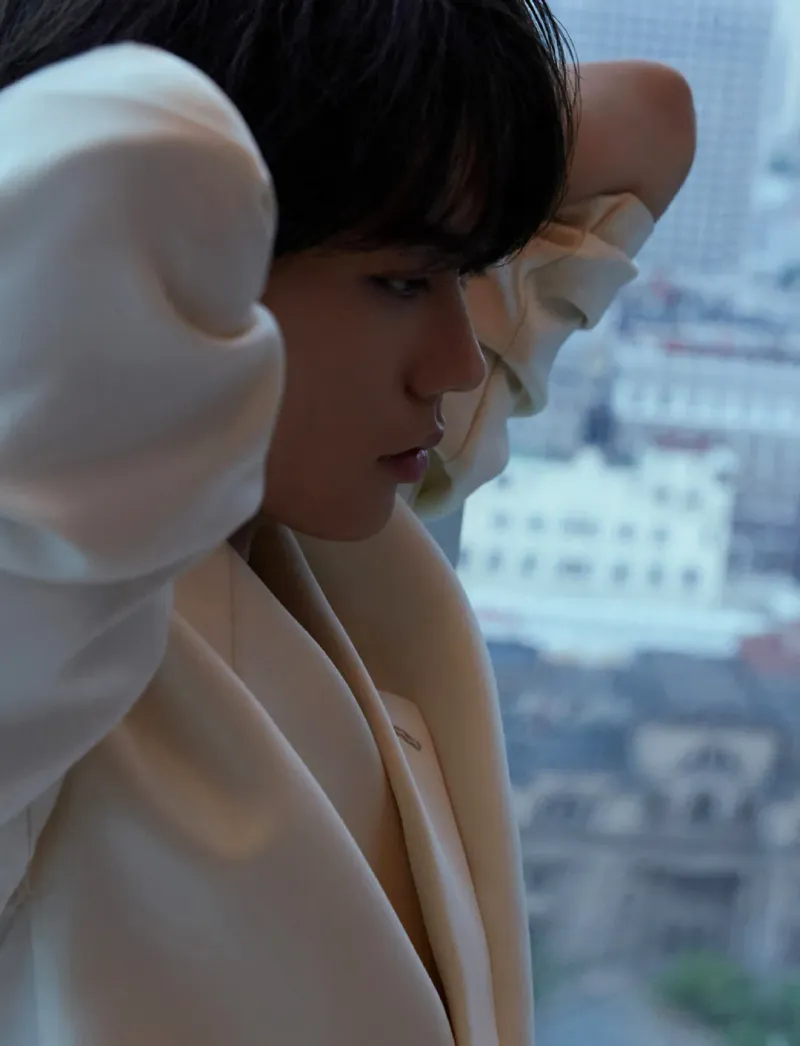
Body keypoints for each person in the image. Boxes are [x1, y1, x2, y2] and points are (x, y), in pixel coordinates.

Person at [0, 2, 695, 1044]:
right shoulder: (37, 609)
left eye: (467, 274)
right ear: (188, 259)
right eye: (404, 281)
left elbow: (650, 118)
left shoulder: (315, 492)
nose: (456, 362)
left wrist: (383, 113)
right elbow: (134, 143)